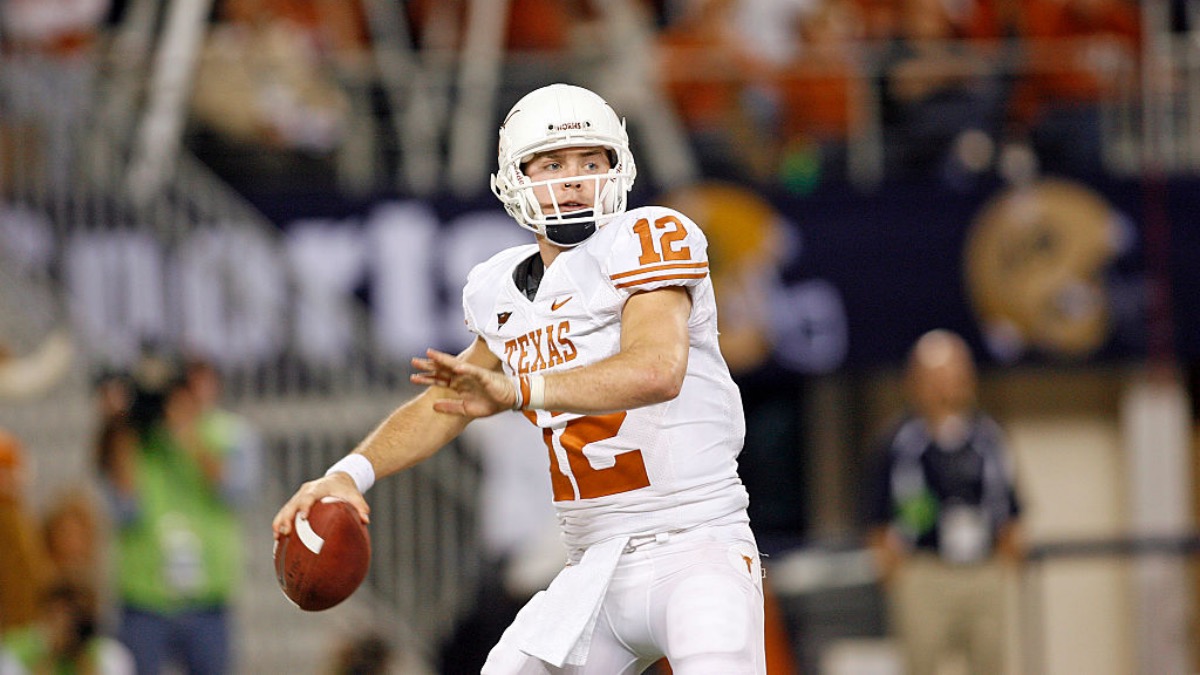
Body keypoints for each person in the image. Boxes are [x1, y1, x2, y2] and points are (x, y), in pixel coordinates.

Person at [274, 83, 766, 674]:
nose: (575, 178)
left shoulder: (648, 238)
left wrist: (521, 390)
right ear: (515, 179)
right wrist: (345, 475)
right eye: (553, 163)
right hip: (592, 563)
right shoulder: (500, 289)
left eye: (591, 161)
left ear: (618, 168)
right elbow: (446, 402)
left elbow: (657, 369)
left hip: (697, 544)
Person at [863, 329, 1024, 675]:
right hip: (924, 570)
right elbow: (877, 515)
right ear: (916, 383)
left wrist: (1004, 557)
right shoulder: (899, 442)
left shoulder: (988, 439)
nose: (945, 389)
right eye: (935, 379)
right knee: (921, 662)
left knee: (990, 660)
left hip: (981, 569)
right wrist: (892, 567)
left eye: (954, 377)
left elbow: (1008, 503)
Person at [98, 355, 257, 675]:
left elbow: (236, 492)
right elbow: (123, 507)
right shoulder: (133, 438)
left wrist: (187, 432)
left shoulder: (229, 432)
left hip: (208, 597)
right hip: (143, 597)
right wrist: (118, 426)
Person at [0, 580, 135, 675]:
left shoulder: (110, 655)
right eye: (56, 617)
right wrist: (48, 659)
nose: (65, 626)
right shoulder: (14, 650)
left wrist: (83, 662)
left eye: (75, 618)